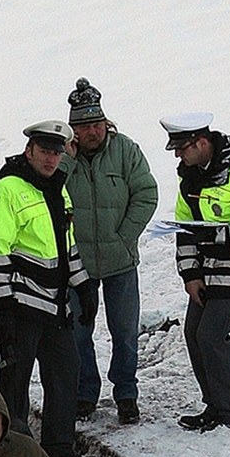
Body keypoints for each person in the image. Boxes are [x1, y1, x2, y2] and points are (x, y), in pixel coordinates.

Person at [0, 119, 96, 457]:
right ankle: (11, 452)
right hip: (21, 303)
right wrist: (4, 309)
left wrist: (84, 285)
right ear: (29, 151)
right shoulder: (7, 191)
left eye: (57, 152)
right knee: (15, 380)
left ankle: (59, 449)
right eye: (45, 151)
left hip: (55, 305)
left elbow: (67, 247)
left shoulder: (57, 189)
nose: (51, 159)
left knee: (65, 372)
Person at [160, 114, 230, 432]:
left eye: (182, 149)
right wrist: (190, 275)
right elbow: (185, 228)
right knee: (194, 336)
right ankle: (216, 406)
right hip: (209, 271)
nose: (178, 156)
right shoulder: (191, 175)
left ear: (202, 142)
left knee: (210, 336)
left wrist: (208, 236)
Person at [64, 78, 159, 425]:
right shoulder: (62, 156)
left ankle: (126, 394)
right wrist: (68, 163)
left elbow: (146, 194)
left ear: (106, 122)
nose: (92, 132)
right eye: (84, 126)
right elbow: (47, 193)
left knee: (124, 331)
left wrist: (125, 236)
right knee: (77, 331)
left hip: (120, 261)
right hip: (77, 265)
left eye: (97, 124)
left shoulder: (126, 150)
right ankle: (85, 392)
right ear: (73, 129)